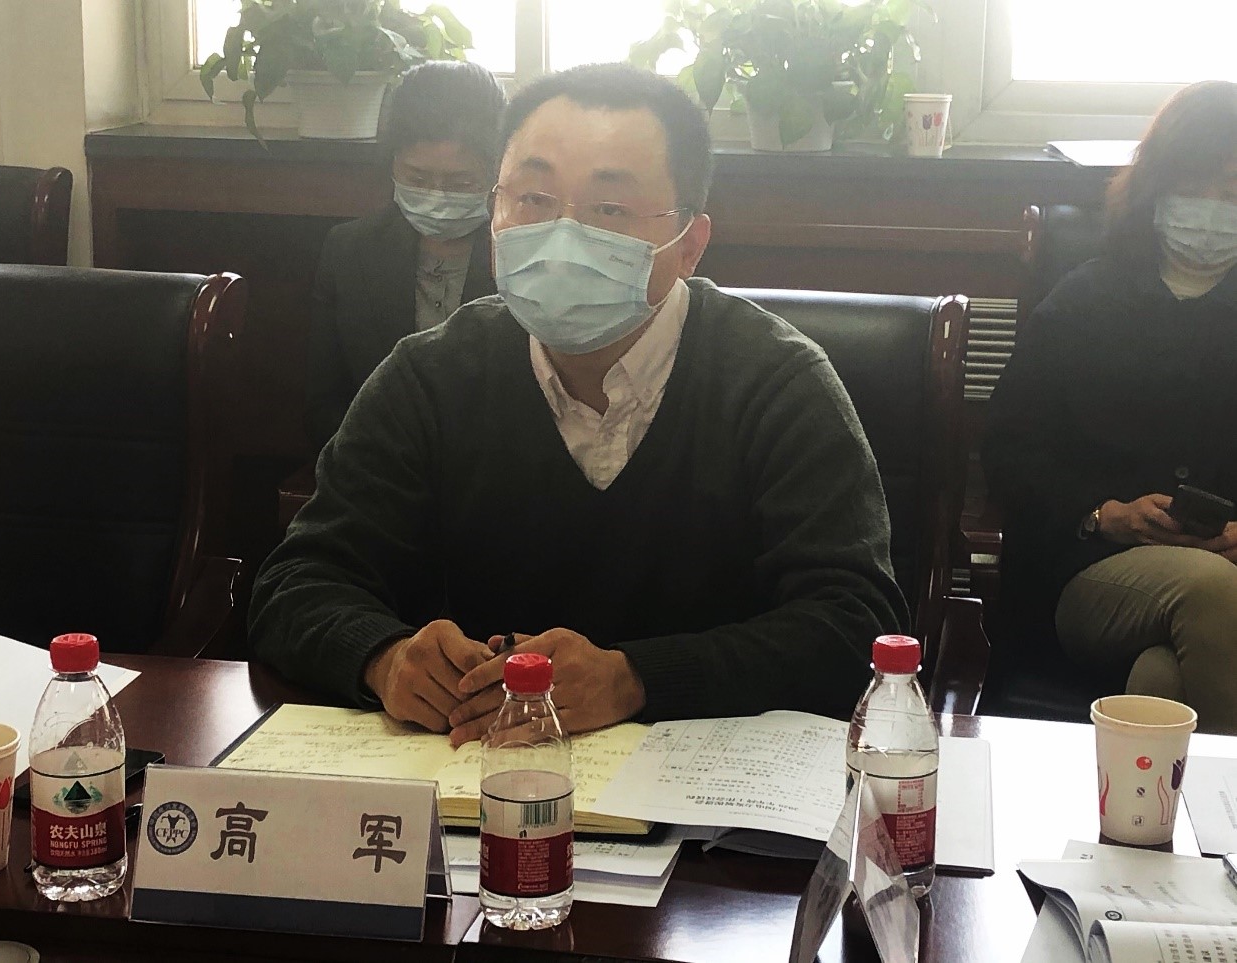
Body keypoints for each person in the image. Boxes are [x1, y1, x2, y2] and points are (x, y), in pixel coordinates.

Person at [251, 63, 907, 745]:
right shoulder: (430, 376)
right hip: (472, 775)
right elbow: (295, 583)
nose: (561, 234)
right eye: (532, 199)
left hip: (700, 785)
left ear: (690, 245)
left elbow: (856, 623)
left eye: (609, 209)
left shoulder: (776, 383)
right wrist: (382, 658)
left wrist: (636, 678)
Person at [984, 80, 1237, 733]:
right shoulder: (1083, 303)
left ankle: (1153, 801)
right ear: (1156, 188)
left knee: (1160, 680)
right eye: (1194, 188)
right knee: (1211, 589)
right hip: (1091, 571)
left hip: (1224, 578)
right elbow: (1008, 453)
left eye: (1233, 193)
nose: (1213, 210)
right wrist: (1103, 513)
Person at [305, 60, 506, 453]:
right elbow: (324, 405)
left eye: (460, 182)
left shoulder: (523, 255)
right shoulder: (349, 251)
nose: (436, 196)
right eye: (418, 179)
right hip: (375, 466)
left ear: (498, 172)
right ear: (392, 162)